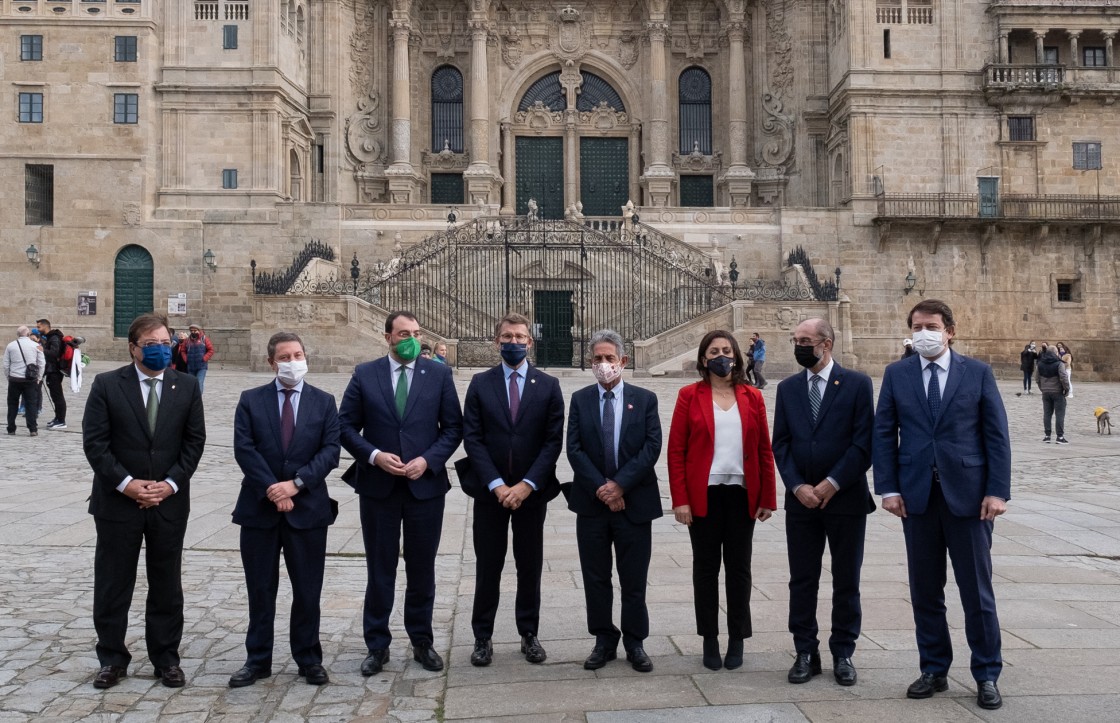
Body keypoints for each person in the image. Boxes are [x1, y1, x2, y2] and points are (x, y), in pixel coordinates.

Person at [873, 299, 1011, 711]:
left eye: (930, 326)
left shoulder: (978, 372)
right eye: (916, 327)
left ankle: (986, 673)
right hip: (917, 498)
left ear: (949, 329)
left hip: (969, 498)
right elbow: (884, 433)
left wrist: (998, 491)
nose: (923, 333)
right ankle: (934, 668)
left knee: (977, 592)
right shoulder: (897, 374)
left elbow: (996, 435)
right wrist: (888, 489)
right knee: (925, 590)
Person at [82, 313, 206, 689]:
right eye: (150, 344)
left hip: (168, 503)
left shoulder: (185, 387)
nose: (159, 349)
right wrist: (127, 484)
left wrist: (169, 484)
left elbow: (194, 442)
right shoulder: (107, 384)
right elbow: (95, 443)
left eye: (164, 342)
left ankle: (166, 658)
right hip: (118, 503)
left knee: (166, 583)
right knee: (113, 582)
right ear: (133, 347)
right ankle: (112, 657)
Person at [338, 311, 463, 676]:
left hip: (425, 487)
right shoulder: (365, 374)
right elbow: (345, 425)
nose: (411, 338)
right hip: (379, 488)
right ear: (388, 337)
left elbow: (452, 427)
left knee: (422, 568)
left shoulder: (438, 374)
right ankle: (377, 645)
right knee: (381, 567)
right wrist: (374, 456)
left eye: (416, 332)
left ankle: (422, 640)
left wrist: (429, 460)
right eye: (403, 333)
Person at [229, 332, 340, 688]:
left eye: (298, 355)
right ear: (271, 363)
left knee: (307, 590)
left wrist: (296, 484)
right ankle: (257, 659)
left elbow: (330, 452)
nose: (293, 362)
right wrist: (273, 489)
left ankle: (308, 657)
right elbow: (245, 449)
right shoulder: (251, 400)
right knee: (260, 589)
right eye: (285, 357)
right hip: (260, 510)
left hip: (307, 509)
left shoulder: (324, 402)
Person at [772, 318, 875, 687]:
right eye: (795, 339)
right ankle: (805, 650)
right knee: (802, 579)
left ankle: (843, 651)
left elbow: (864, 443)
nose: (799, 345)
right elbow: (780, 443)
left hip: (845, 499)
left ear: (826, 344)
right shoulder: (787, 388)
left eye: (805, 340)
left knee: (847, 578)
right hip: (801, 502)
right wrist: (798, 485)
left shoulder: (857, 384)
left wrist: (831, 483)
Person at [458, 313, 564, 667]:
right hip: (490, 492)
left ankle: (529, 633)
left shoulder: (548, 385)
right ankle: (482, 636)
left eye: (520, 337)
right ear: (496, 341)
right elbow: (472, 437)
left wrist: (526, 484)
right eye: (507, 336)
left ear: (530, 342)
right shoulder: (480, 383)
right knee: (488, 564)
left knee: (529, 563)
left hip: (531, 492)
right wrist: (497, 485)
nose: (513, 342)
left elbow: (552, 442)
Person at [668, 330, 776, 671]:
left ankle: (737, 638)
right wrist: (680, 500)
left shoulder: (752, 397)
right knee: (705, 570)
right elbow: (676, 451)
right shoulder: (689, 395)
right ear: (704, 359)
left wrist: (768, 498)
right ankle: (709, 638)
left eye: (726, 350)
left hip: (742, 494)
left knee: (739, 570)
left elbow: (763, 450)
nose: (721, 355)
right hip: (704, 495)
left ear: (736, 356)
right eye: (714, 351)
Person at [565, 330, 662, 673]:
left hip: (634, 503)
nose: (603, 365)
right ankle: (604, 639)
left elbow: (651, 447)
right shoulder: (580, 399)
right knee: (596, 577)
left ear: (623, 361)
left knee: (633, 578)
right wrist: (603, 489)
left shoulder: (645, 399)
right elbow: (573, 449)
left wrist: (620, 486)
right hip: (592, 504)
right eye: (597, 359)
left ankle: (635, 642)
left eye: (609, 358)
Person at [5, 326, 45, 436]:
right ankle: (32, 429)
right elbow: (41, 363)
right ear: (28, 334)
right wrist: (39, 377)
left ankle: (11, 428)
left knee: (12, 403)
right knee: (31, 404)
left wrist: (9, 377)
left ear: (18, 334)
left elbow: (6, 364)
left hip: (14, 379)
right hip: (30, 380)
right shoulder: (36, 345)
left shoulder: (11, 346)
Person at [36, 319, 67, 429]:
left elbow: (54, 353)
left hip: (54, 371)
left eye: (39, 327)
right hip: (51, 370)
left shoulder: (54, 338)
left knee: (57, 396)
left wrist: (42, 349)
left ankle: (61, 421)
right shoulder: (50, 337)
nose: (38, 329)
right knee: (54, 396)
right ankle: (57, 418)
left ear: (45, 326)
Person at [1037, 345, 1069, 444]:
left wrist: (1042, 388)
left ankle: (1047, 435)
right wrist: (1066, 389)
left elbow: (1037, 378)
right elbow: (1063, 377)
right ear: (1056, 353)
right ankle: (1060, 437)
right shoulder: (1059, 364)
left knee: (1047, 414)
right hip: (1057, 391)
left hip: (1045, 392)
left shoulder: (1040, 364)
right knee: (1059, 414)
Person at [180, 323, 215, 393]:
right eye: (192, 331)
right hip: (190, 366)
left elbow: (211, 350)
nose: (193, 332)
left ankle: (198, 400)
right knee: (191, 384)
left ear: (199, 331)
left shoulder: (204, 339)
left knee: (199, 383)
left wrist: (204, 358)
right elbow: (183, 350)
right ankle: (191, 399)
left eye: (195, 330)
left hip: (201, 367)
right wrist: (186, 359)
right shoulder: (187, 341)